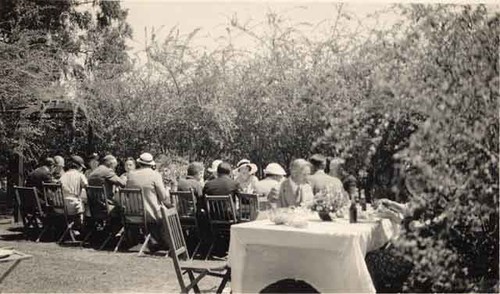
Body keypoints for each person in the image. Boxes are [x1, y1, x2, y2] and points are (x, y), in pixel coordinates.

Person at [125, 152, 172, 250]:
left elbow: (127, 194)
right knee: (168, 212)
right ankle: (164, 242)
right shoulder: (155, 175)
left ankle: (150, 240)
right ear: (151, 164)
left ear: (139, 163)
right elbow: (163, 197)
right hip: (151, 214)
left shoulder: (131, 175)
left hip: (132, 214)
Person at [59, 155, 88, 231]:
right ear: (79, 167)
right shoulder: (80, 175)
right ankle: (82, 229)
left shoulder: (63, 175)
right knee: (85, 203)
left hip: (60, 206)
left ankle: (73, 228)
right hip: (73, 206)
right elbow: (87, 187)